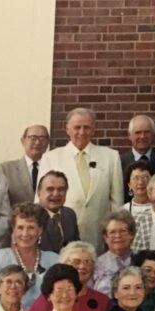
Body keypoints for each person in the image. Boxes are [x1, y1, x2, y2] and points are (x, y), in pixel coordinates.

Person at [38, 108, 124, 253]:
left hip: (99, 238)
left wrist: (114, 236)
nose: (82, 132)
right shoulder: (51, 158)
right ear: (67, 129)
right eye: (77, 127)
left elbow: (117, 203)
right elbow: (40, 201)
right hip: (61, 238)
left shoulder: (111, 157)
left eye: (87, 127)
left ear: (93, 129)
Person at [0, 203, 60, 308]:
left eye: (31, 228)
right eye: (20, 228)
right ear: (13, 229)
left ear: (40, 230)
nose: (25, 233)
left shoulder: (54, 260)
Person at [24, 241, 111, 311]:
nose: (82, 266)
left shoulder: (102, 301)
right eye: (76, 262)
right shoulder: (50, 298)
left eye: (88, 262)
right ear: (64, 264)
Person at [0, 124, 50, 207]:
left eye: (42, 138)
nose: (37, 142)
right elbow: (1, 203)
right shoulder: (5, 169)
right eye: (33, 138)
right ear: (23, 141)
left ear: (48, 142)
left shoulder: (54, 167)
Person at [90, 210, 137, 297]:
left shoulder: (141, 260)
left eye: (123, 231)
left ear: (131, 234)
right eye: (112, 232)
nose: (118, 236)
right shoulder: (95, 264)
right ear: (105, 237)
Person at [36, 170, 81, 253]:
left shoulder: (69, 214)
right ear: (39, 193)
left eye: (61, 189)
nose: (56, 194)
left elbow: (76, 247)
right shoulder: (30, 217)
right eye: (50, 189)